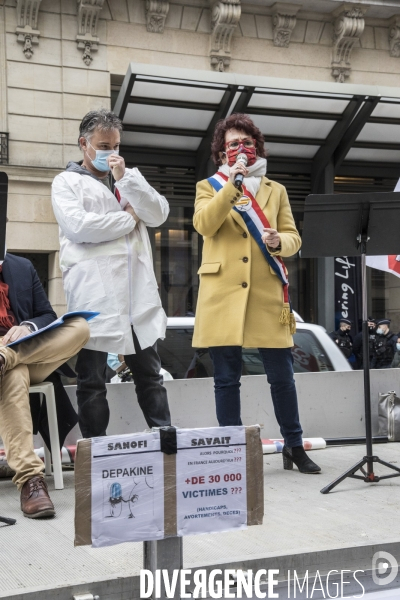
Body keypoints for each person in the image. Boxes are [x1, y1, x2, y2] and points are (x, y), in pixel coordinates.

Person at [192, 113, 320, 474]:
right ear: (221, 154)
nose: (242, 149)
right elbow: (204, 224)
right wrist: (232, 186)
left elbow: (294, 237)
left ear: (257, 148)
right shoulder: (209, 186)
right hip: (223, 295)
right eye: (233, 144)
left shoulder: (275, 190)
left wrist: (282, 242)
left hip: (266, 294)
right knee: (226, 378)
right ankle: (231, 452)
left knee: (282, 377)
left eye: (248, 143)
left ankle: (294, 446)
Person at [51, 109, 171, 438]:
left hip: (136, 297)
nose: (111, 153)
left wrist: (128, 181)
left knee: (150, 375)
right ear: (84, 144)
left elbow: (159, 213)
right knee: (92, 382)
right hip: (95, 297)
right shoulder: (66, 183)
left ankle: (166, 440)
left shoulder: (127, 180)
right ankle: (95, 452)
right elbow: (80, 227)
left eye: (116, 145)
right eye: (103, 145)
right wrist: (128, 220)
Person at [0, 252, 90, 517]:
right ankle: (30, 480)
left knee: (80, 327)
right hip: (14, 370)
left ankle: (5, 358)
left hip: (27, 352)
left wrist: (27, 327)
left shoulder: (21, 266)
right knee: (12, 375)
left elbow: (46, 315)